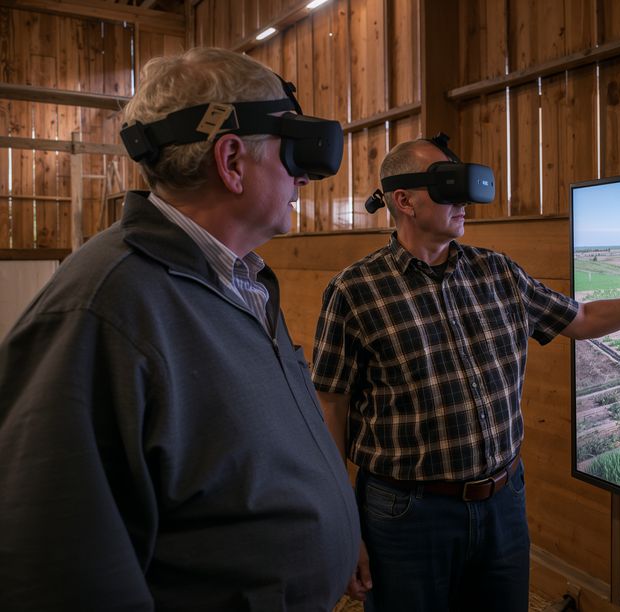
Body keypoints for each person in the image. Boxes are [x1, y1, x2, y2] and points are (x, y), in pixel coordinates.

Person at [0, 47, 359, 611]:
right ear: (232, 161)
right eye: (292, 152)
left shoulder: (237, 279)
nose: (304, 178)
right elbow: (56, 569)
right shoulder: (103, 309)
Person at [311, 136, 620, 611]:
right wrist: (344, 526)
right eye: (449, 186)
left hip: (502, 503)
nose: (465, 200)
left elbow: (585, 319)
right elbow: (331, 408)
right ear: (403, 200)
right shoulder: (354, 291)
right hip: (405, 515)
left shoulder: (499, 274)